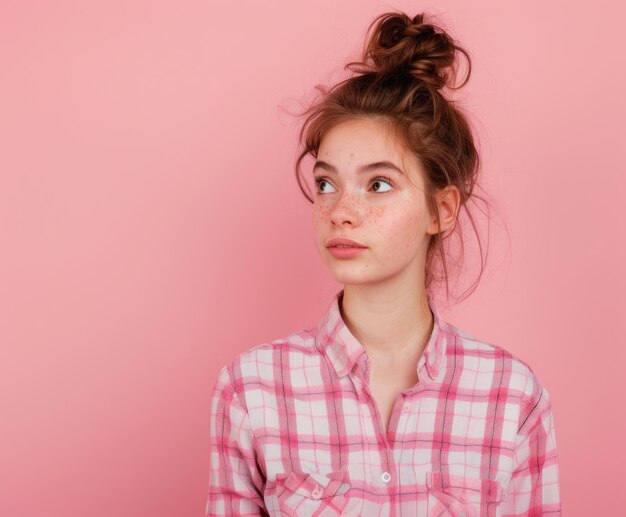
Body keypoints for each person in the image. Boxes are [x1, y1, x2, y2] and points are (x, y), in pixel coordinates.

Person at [205, 10, 561, 516]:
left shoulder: (511, 397)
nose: (340, 213)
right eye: (327, 183)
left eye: (378, 185)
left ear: (441, 209)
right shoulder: (252, 388)